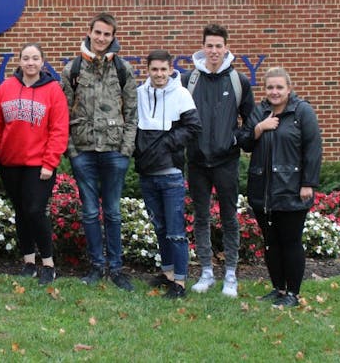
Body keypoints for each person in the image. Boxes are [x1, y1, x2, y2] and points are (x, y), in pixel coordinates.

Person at [60, 12, 138, 291]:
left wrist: (126, 150)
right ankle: (95, 266)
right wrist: (72, 152)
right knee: (91, 212)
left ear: (113, 37)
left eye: (107, 34)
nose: (102, 38)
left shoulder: (123, 69)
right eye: (98, 33)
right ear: (89, 33)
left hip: (115, 151)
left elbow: (132, 113)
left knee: (113, 212)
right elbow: (62, 114)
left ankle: (116, 268)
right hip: (84, 151)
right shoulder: (73, 69)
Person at [182, 23, 254, 297]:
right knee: (201, 217)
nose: (213, 51)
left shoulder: (238, 81)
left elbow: (250, 121)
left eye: (218, 46)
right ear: (203, 47)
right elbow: (179, 119)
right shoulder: (189, 80)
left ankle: (231, 276)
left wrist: (235, 140)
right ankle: (206, 272)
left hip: (226, 162)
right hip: (198, 162)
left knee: (229, 218)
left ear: (226, 48)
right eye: (209, 46)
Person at [241, 67, 321, 308]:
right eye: (270, 87)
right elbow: (245, 142)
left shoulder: (302, 111)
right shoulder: (260, 112)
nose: (274, 92)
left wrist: (308, 183)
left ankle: (293, 293)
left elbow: (313, 148)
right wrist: (259, 128)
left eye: (279, 87)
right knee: (270, 242)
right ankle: (278, 288)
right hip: (263, 191)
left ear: (289, 88)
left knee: (290, 241)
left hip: (292, 189)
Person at [0, 43, 69, 285]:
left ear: (42, 63)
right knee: (22, 212)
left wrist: (50, 162)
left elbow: (59, 129)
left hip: (39, 164)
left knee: (35, 211)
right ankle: (28, 262)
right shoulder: (7, 87)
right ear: (20, 61)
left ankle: (48, 263)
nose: (31, 63)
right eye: (26, 58)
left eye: (35, 58)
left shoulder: (53, 90)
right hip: (10, 163)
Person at [134, 50, 201, 299]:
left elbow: (193, 127)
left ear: (171, 69)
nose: (159, 74)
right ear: (148, 70)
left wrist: (165, 144)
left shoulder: (181, 94)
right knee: (160, 228)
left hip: (171, 174)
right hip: (147, 173)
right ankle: (168, 273)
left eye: (163, 69)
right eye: (154, 69)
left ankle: (180, 283)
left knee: (175, 231)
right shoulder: (140, 94)